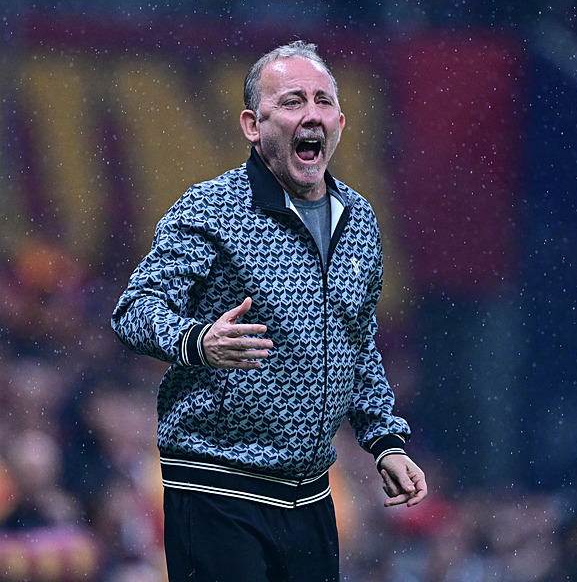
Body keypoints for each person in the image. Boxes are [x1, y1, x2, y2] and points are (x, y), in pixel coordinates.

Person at [111, 40, 427, 582]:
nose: (312, 114)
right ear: (252, 126)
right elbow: (134, 310)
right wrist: (198, 341)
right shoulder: (212, 207)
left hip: (311, 494)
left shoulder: (359, 220)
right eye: (292, 101)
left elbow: (358, 344)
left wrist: (384, 441)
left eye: (323, 101)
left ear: (340, 122)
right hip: (217, 486)